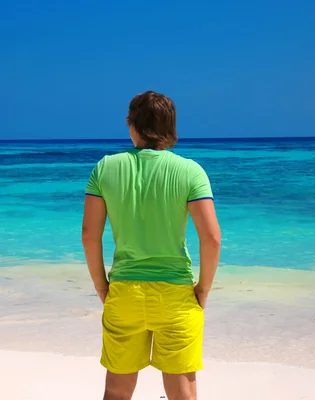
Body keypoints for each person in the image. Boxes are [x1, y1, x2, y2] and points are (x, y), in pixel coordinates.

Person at [82, 90, 221, 400]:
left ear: (132, 125)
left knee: (117, 390)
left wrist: (102, 286)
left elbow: (90, 235)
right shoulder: (190, 171)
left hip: (124, 292)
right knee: (183, 391)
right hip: (176, 295)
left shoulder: (105, 168)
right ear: (171, 127)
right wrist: (203, 289)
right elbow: (211, 238)